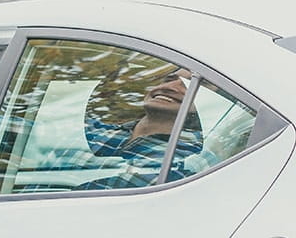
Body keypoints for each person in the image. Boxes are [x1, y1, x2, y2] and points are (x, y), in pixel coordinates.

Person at [78, 67, 213, 189]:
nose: (169, 87)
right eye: (169, 79)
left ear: (212, 102)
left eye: (191, 86)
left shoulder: (191, 158)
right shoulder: (95, 132)